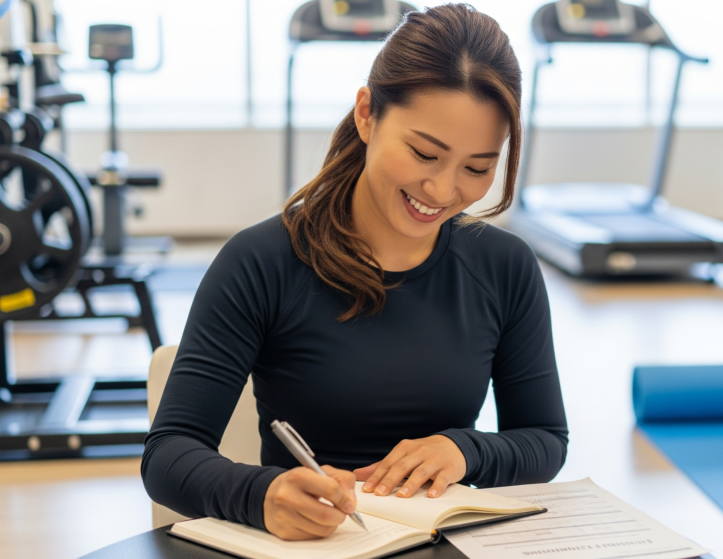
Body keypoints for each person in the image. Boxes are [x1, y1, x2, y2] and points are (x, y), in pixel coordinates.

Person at [142, 3, 568, 542]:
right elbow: (168, 453)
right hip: (307, 548)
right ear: (367, 115)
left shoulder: (504, 266)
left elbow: (546, 440)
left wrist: (467, 449)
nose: (442, 191)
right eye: (423, 153)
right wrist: (263, 495)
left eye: (478, 168)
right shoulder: (261, 260)